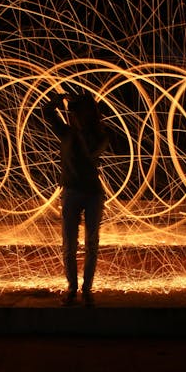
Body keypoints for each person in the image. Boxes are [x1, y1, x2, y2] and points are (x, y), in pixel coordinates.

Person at [42, 90, 109, 307]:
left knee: (91, 243)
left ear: (89, 113)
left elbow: (91, 152)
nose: (75, 115)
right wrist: (57, 99)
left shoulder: (99, 135)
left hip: (92, 194)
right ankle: (72, 288)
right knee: (69, 245)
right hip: (71, 192)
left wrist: (81, 129)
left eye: (79, 112)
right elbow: (46, 112)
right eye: (75, 112)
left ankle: (87, 290)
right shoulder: (66, 132)